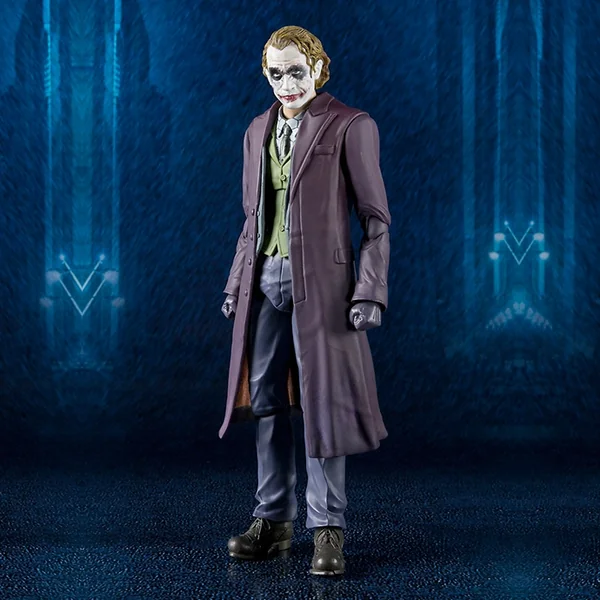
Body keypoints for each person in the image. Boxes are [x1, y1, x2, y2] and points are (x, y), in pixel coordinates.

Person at [219, 25, 391, 576]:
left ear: (318, 67)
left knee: (325, 404)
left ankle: (327, 528)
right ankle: (273, 519)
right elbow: (252, 219)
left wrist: (370, 290)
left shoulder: (350, 125)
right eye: (276, 73)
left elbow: (376, 220)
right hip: (265, 280)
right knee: (267, 400)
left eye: (297, 70)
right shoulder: (257, 130)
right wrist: (236, 283)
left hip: (324, 288)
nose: (287, 82)